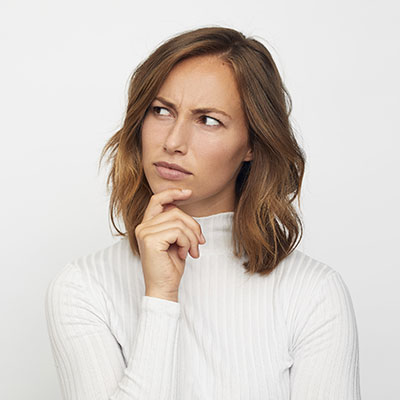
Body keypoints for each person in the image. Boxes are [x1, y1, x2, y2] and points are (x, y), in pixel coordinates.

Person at [45, 26, 361, 399]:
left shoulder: (313, 293)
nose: (173, 142)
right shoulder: (84, 287)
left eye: (208, 120)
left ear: (252, 143)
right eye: (161, 111)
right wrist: (160, 297)